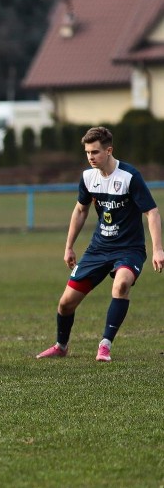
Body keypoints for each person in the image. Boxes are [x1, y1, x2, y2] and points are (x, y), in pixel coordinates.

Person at [37, 126, 164, 363]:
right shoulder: (88, 177)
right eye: (87, 152)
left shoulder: (129, 176)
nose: (90, 157)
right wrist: (69, 246)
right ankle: (61, 346)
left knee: (121, 285)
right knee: (65, 304)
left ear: (109, 150)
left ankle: (105, 345)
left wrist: (157, 248)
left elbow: (152, 212)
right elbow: (80, 210)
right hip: (98, 249)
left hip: (129, 249)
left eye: (95, 152)